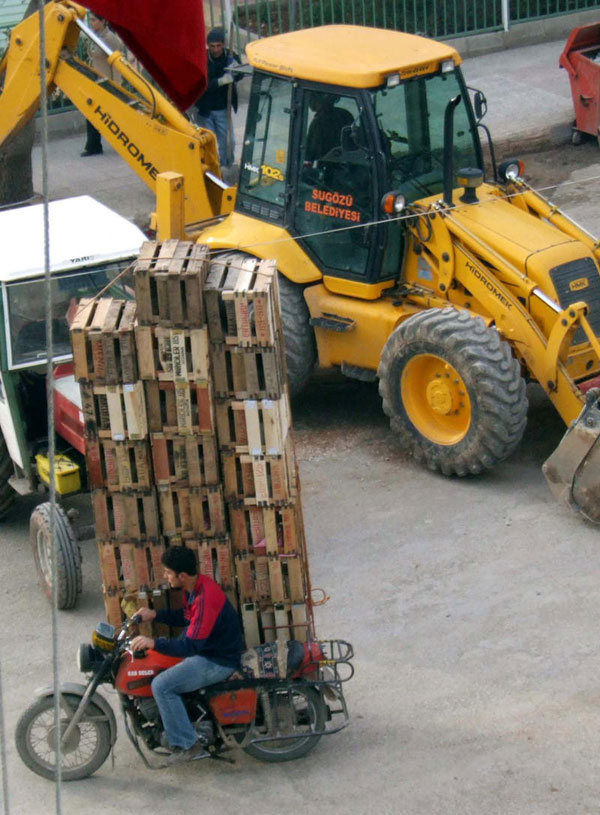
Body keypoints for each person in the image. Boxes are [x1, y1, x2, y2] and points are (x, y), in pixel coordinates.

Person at [131, 546, 243, 764]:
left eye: (168, 572)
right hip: (208, 648)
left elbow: (188, 647)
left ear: (181, 576)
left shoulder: (204, 598)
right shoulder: (194, 589)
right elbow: (185, 618)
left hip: (217, 660)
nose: (165, 576)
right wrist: (154, 615)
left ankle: (187, 744)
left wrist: (153, 642)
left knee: (161, 686)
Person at [193, 28, 241, 167]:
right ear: (208, 45)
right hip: (205, 109)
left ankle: (227, 166)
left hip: (223, 108)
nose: (216, 50)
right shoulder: (202, 59)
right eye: (212, 46)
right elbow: (202, 84)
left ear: (224, 44)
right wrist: (221, 81)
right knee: (209, 144)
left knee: (228, 142)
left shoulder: (231, 56)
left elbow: (241, 74)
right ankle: (213, 169)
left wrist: (236, 71)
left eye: (219, 46)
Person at [80, 14, 125, 157]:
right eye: (91, 20)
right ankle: (93, 145)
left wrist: (116, 87)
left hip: (107, 83)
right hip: (96, 82)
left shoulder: (110, 39)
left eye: (94, 20)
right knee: (91, 111)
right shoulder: (96, 37)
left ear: (103, 21)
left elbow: (116, 65)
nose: (92, 23)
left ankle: (125, 143)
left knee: (114, 116)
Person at [305, 93, 354, 162]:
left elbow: (310, 152)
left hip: (326, 165)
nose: (309, 103)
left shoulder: (318, 122)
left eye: (310, 99)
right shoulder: (345, 114)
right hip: (346, 162)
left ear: (317, 100)